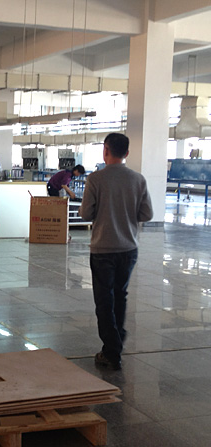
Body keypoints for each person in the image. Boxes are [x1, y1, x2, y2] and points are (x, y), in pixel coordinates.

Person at [79, 133, 153, 371]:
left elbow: (86, 214)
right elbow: (147, 214)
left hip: (103, 248)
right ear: (127, 153)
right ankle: (117, 339)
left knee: (104, 300)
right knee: (120, 295)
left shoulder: (95, 179)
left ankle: (111, 351)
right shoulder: (138, 179)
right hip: (128, 249)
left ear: (105, 150)